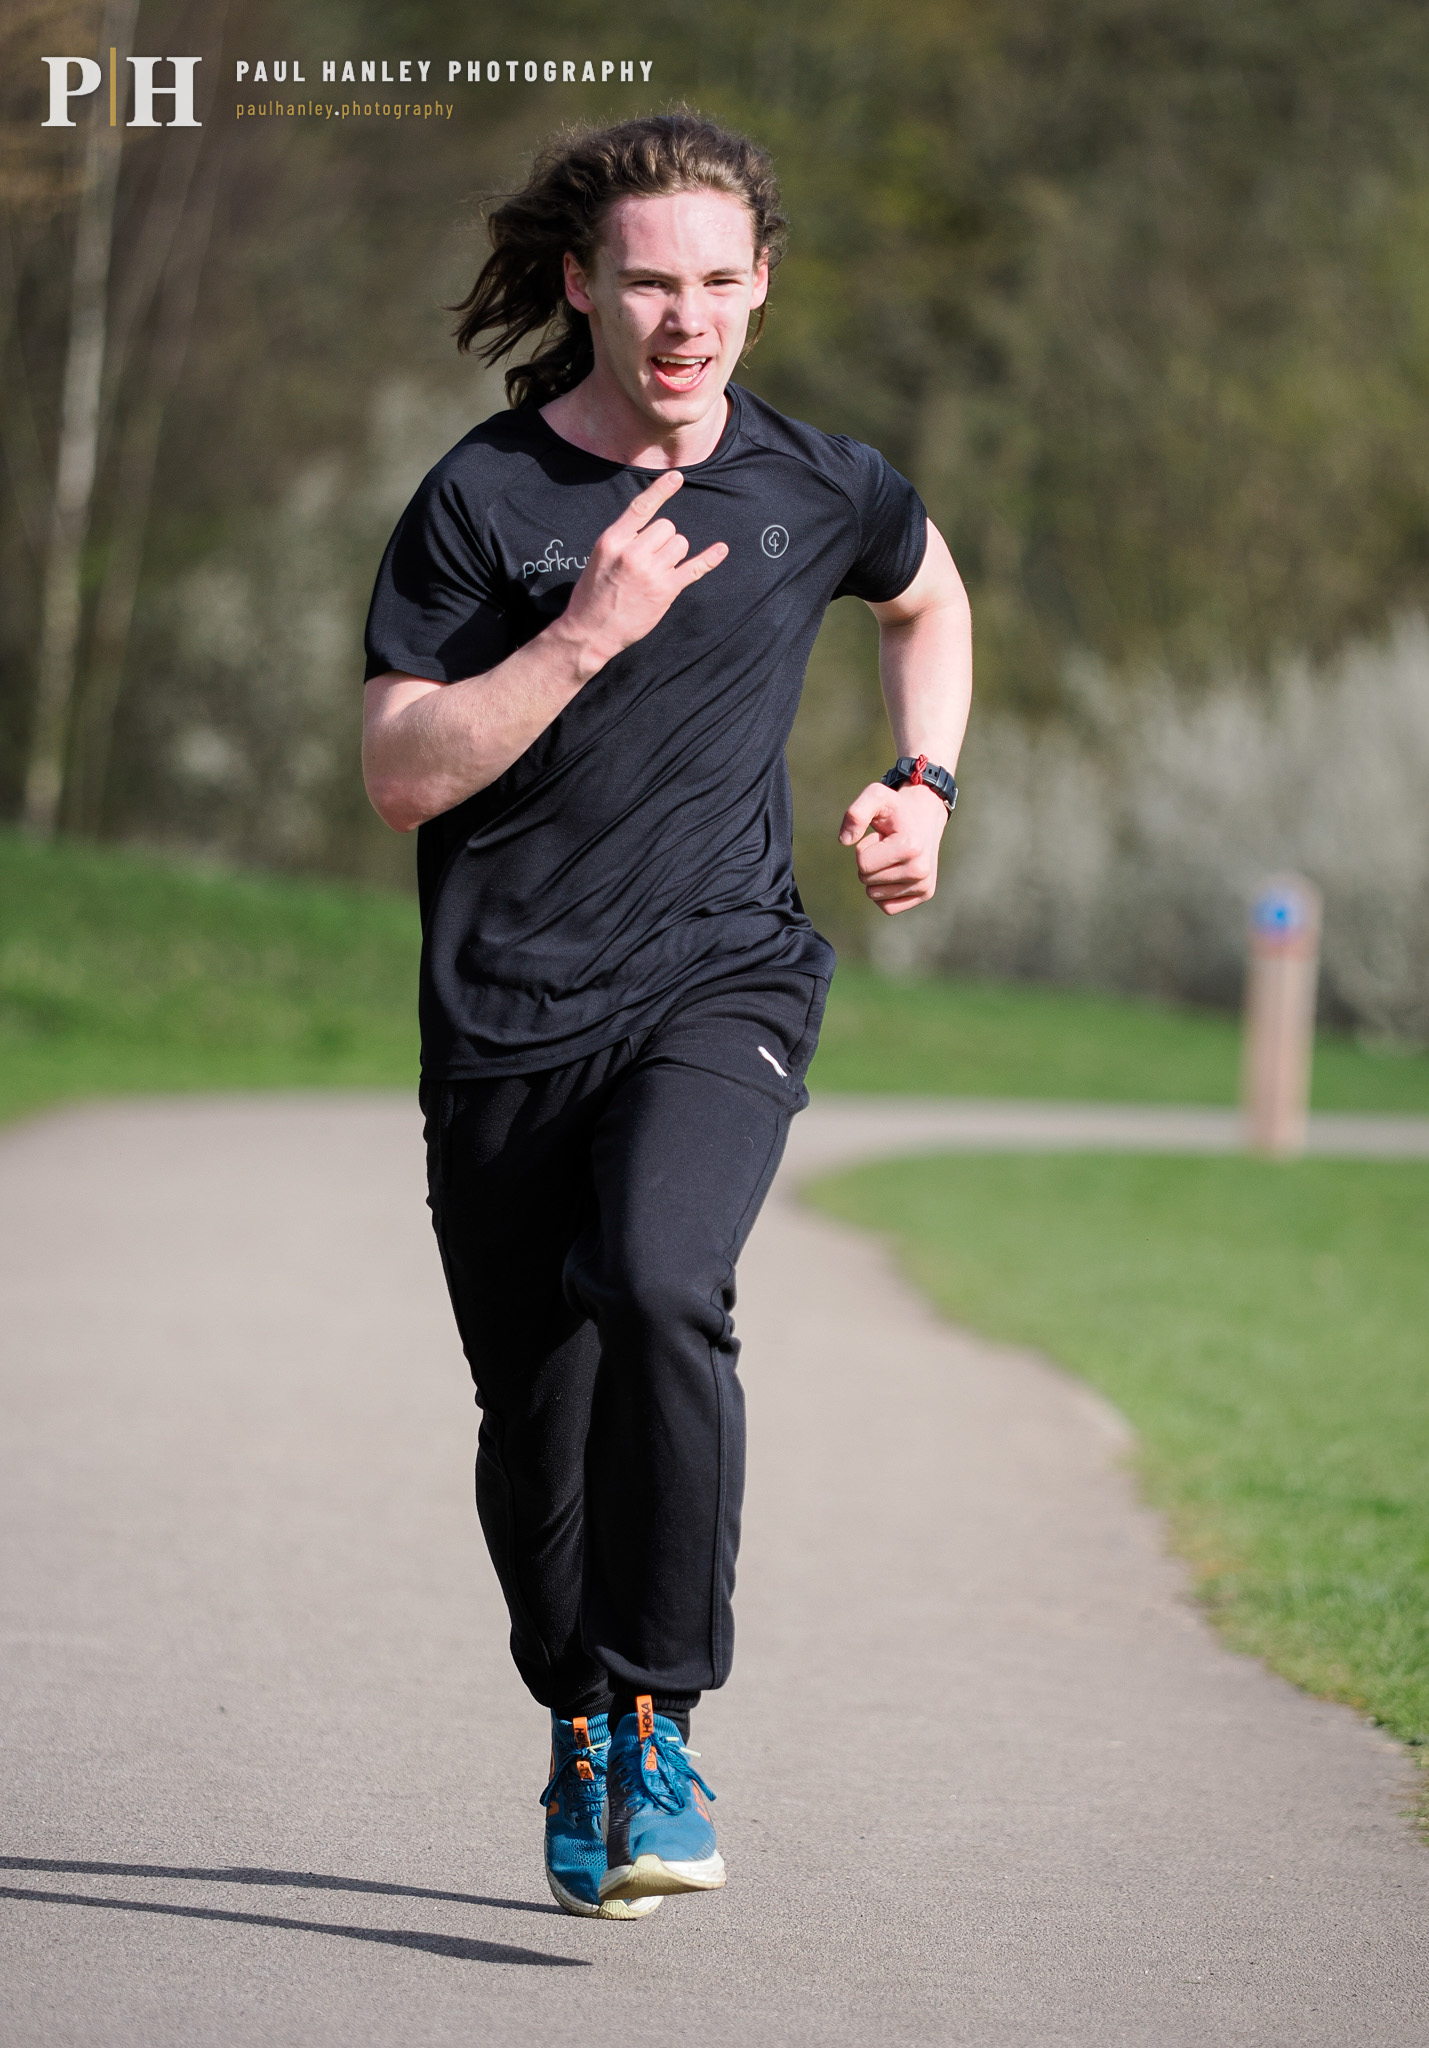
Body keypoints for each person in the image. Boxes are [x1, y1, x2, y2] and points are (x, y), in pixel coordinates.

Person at [360, 110, 971, 1920]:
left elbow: (928, 596)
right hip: (504, 1020)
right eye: (649, 282)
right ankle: (581, 1715)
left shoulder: (816, 482)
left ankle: (663, 1715)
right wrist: (575, 639)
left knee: (658, 1282)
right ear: (583, 286)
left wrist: (923, 778)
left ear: (762, 288)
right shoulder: (486, 500)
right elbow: (399, 773)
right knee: (530, 1425)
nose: (686, 317)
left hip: (722, 976)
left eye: (719, 281)